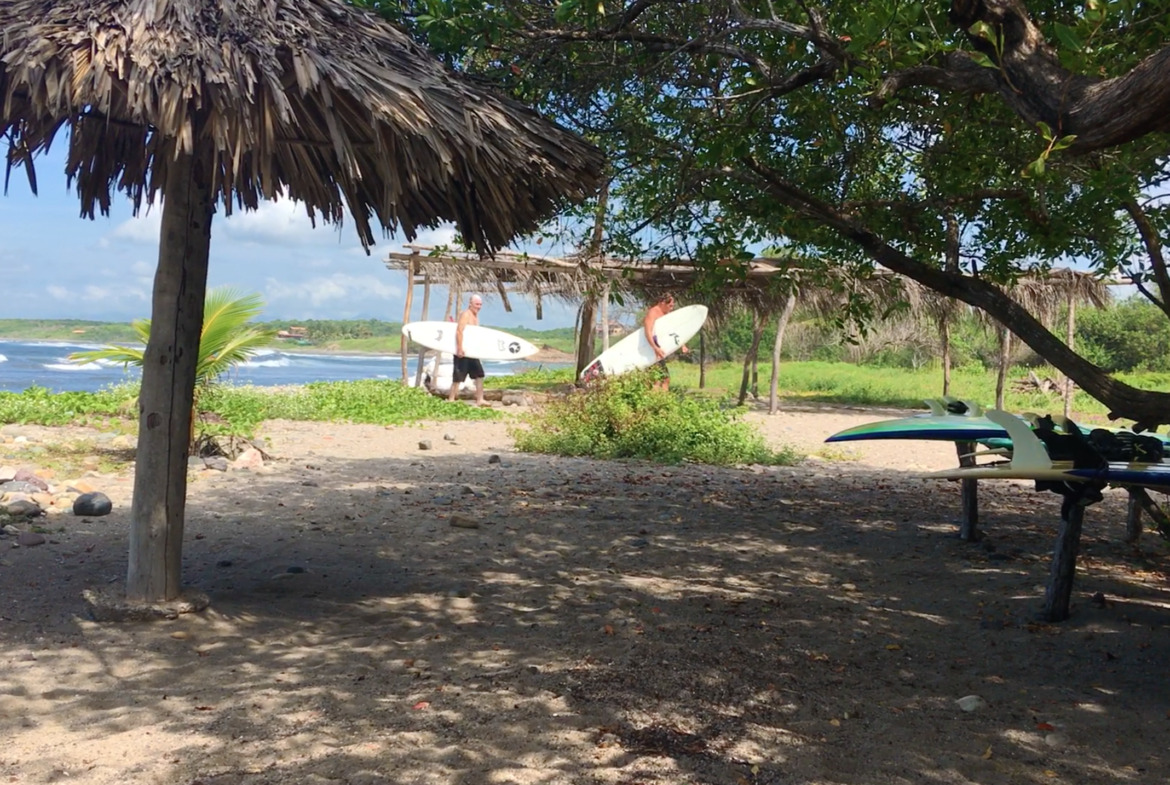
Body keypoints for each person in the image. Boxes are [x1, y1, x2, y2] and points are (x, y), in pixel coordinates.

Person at [643, 292, 689, 391]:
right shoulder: (653, 313)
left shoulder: (665, 313)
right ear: (663, 303)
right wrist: (655, 348)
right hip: (650, 351)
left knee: (665, 379)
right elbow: (648, 332)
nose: (671, 308)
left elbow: (672, 330)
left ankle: (664, 402)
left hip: (658, 351)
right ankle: (655, 403)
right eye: (670, 305)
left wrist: (682, 345)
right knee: (657, 379)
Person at [449, 294, 487, 405]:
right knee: (458, 377)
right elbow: (459, 331)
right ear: (470, 304)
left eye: (480, 304)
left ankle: (480, 399)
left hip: (471, 352)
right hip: (462, 351)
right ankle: (451, 399)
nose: (478, 306)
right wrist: (459, 348)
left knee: (479, 375)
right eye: (476, 304)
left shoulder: (475, 316)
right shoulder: (466, 315)